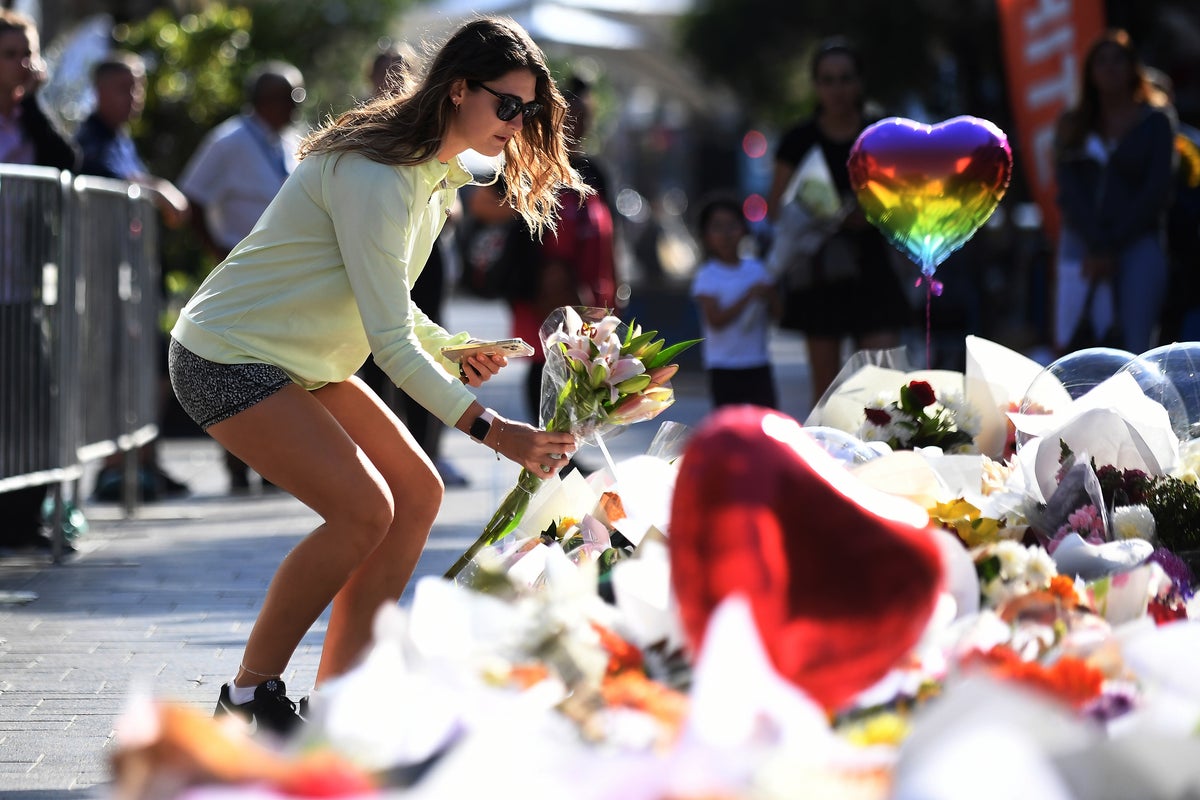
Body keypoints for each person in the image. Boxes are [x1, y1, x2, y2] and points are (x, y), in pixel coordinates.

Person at [168, 16, 582, 733]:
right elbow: (389, 341)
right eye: (507, 105)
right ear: (459, 90)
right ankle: (245, 696)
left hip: (302, 361)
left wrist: (449, 346)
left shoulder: (436, 174)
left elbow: (385, 302)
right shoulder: (378, 173)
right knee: (364, 511)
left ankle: (338, 703)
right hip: (224, 355)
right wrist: (491, 431)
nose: (517, 126)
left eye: (528, 111)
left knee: (416, 494)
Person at [178, 60, 306, 492]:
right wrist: (217, 249)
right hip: (242, 273)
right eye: (292, 97)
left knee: (280, 368)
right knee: (238, 365)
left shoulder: (291, 141)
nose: (297, 107)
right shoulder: (229, 141)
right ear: (266, 101)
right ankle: (238, 464)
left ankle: (276, 465)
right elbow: (192, 197)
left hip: (285, 276)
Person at [767, 38, 911, 410]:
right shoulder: (799, 140)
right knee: (827, 397)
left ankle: (886, 464)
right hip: (819, 272)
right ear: (816, 86)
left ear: (860, 82)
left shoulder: (881, 133)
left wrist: (872, 215)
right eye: (828, 80)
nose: (838, 89)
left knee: (885, 393)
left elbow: (907, 199)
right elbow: (775, 208)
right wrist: (821, 213)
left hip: (874, 266)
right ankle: (826, 466)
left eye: (845, 78)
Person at [76, 51, 192, 500]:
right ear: (99, 91)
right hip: (103, 281)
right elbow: (103, 179)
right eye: (124, 86)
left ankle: (143, 461)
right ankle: (113, 469)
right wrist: (158, 190)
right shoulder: (91, 138)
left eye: (139, 85)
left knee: (150, 369)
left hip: (133, 281)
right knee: (113, 371)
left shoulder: (121, 138)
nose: (134, 96)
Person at [356, 47, 469, 488]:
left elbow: (448, 198)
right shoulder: (366, 132)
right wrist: (490, 429)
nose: (394, 79)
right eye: (385, 71)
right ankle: (380, 459)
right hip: (382, 249)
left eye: (402, 71)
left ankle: (426, 452)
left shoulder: (434, 132)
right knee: (378, 351)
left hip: (425, 255)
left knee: (423, 343)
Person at [0, 9, 80, 551]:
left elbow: (66, 159)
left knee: (34, 401)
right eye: (10, 55)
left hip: (19, 288)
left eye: (27, 53)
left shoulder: (28, 119)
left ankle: (23, 521)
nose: (24, 64)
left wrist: (33, 99)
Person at [1052, 29, 1177, 355]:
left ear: (1133, 67)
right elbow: (1068, 191)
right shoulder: (1072, 124)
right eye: (1101, 61)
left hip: (1138, 241)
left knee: (1135, 347)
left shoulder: (1157, 122)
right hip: (1083, 244)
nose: (1110, 68)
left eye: (1119, 60)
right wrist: (1096, 244)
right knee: (1078, 348)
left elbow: (1157, 190)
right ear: (1089, 73)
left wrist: (1113, 244)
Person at [510, 76, 617, 430]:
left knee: (582, 373)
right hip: (549, 294)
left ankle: (563, 451)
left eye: (586, 116)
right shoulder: (536, 166)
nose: (580, 124)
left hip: (590, 293)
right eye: (572, 116)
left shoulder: (593, 170)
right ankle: (552, 448)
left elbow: (611, 235)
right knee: (548, 363)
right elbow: (491, 206)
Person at [690, 195, 779, 409]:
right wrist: (749, 296)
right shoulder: (707, 275)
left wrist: (771, 295)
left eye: (732, 225)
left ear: (743, 229)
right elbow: (715, 320)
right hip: (723, 366)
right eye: (718, 227)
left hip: (757, 362)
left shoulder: (757, 269)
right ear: (706, 236)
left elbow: (778, 313)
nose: (726, 234)